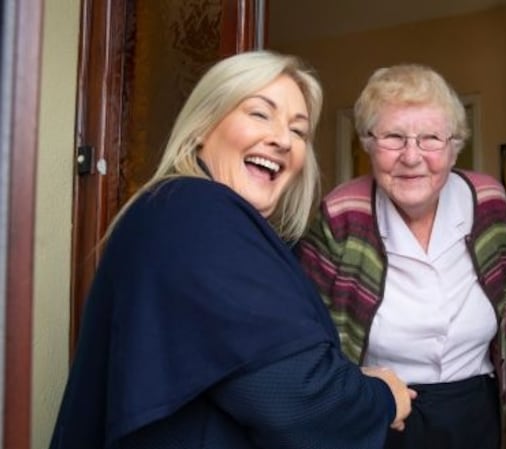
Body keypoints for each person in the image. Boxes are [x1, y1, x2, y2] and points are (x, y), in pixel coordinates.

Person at [49, 50, 414, 449]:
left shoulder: (173, 212)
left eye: (299, 131)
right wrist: (381, 399)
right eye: (260, 113)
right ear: (203, 126)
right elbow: (297, 399)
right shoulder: (197, 210)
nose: (281, 139)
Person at [296, 64, 506, 449]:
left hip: (474, 404)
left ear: (454, 147)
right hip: (379, 407)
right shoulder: (340, 213)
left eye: (431, 137)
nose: (412, 156)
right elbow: (309, 329)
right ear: (368, 143)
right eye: (394, 137)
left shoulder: (489, 201)